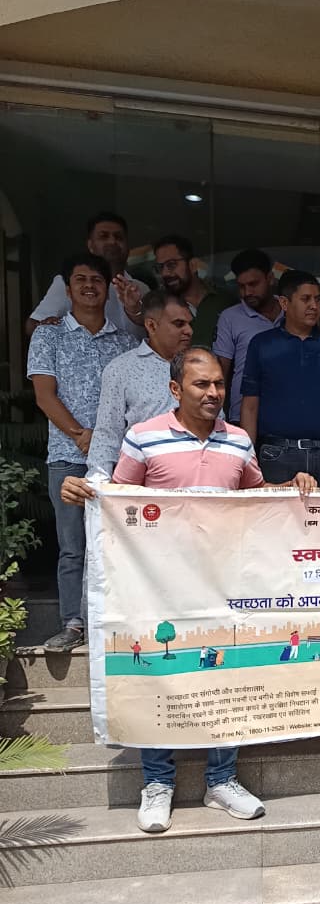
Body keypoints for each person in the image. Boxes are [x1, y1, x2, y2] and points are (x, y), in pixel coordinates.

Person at [64, 347, 317, 833]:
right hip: (157, 585)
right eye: (202, 384)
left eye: (219, 384)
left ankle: (221, 781)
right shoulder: (143, 436)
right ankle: (157, 783)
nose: (213, 393)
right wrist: (84, 494)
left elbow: (253, 497)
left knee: (228, 678)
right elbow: (120, 499)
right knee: (160, 676)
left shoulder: (238, 440)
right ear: (175, 389)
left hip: (224, 584)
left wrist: (292, 485)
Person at [27, 252, 137, 652]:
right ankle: (72, 624)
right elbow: (44, 395)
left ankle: (118, 622)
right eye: (80, 279)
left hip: (117, 460)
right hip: (67, 456)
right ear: (68, 288)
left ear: (107, 288)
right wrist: (79, 435)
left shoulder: (126, 341)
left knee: (120, 546)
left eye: (96, 280)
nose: (89, 286)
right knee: (73, 547)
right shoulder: (49, 336)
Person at [240, 270, 320, 488]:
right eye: (305, 299)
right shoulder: (262, 344)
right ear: (284, 303)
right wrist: (248, 458)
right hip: (277, 453)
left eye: (317, 299)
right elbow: (250, 406)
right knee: (277, 512)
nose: (314, 306)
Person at [83, 290, 193, 480]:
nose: (189, 331)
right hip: (144, 481)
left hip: (199, 475)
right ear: (151, 325)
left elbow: (217, 421)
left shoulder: (200, 366)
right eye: (179, 324)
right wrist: (98, 483)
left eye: (190, 324)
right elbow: (107, 434)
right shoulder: (121, 369)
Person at [27, 211, 148, 339]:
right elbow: (32, 325)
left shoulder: (141, 288)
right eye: (104, 236)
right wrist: (53, 332)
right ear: (91, 246)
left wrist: (136, 312)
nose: (112, 241)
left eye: (119, 237)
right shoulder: (71, 283)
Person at [213, 249, 283, 423]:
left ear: (270, 278)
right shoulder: (229, 317)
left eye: (253, 284)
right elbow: (221, 371)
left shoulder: (291, 311)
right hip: (242, 417)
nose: (247, 293)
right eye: (241, 286)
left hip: (286, 417)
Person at [146, 235, 230, 349]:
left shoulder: (225, 301)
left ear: (193, 265)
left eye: (171, 264)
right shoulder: (161, 306)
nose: (165, 273)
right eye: (160, 267)